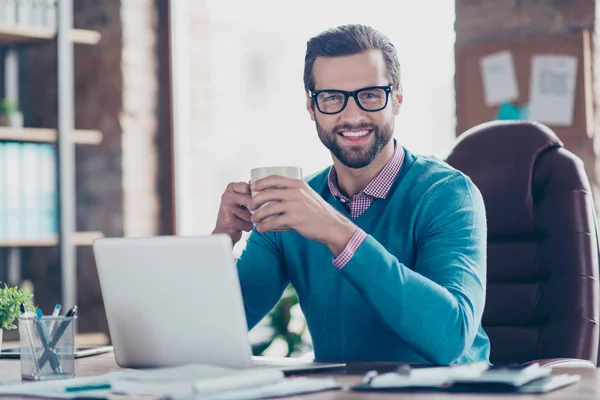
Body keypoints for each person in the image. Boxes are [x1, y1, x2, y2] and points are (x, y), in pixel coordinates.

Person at [212, 24, 491, 365]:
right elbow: (212, 334)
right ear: (311, 108)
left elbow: (451, 338)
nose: (353, 115)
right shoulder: (291, 208)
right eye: (332, 98)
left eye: (370, 94)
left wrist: (338, 232)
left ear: (397, 99)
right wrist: (218, 244)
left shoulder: (447, 195)